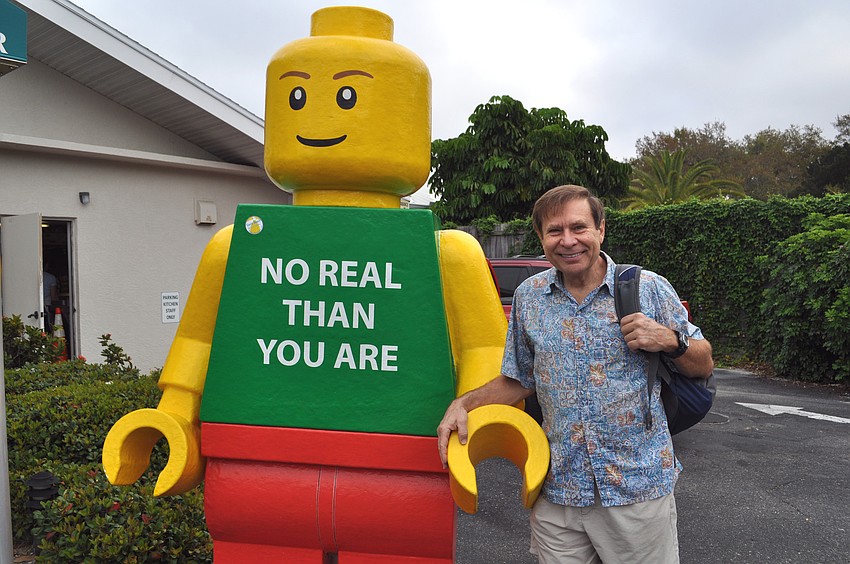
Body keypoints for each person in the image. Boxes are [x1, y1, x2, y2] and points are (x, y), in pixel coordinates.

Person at [437, 184, 714, 563]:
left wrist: (670, 340)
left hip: (636, 489)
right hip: (559, 491)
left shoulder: (647, 288)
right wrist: (463, 404)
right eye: (555, 231)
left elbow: (704, 363)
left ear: (600, 230)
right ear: (541, 237)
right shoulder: (529, 297)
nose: (568, 241)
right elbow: (518, 379)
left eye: (579, 227)